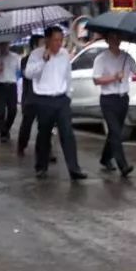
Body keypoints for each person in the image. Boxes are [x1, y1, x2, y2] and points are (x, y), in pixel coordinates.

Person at [25, 26, 87, 181]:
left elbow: (67, 75)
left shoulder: (64, 54)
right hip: (43, 99)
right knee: (44, 134)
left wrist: (68, 94)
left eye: (61, 40)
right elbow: (28, 74)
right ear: (47, 40)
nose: (59, 43)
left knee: (67, 133)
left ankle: (74, 168)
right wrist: (43, 61)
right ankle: (41, 166)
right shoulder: (36, 54)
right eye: (56, 40)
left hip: (61, 99)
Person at [92, 34, 136, 177]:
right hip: (108, 100)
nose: (116, 41)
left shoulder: (126, 57)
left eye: (117, 38)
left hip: (123, 100)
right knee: (115, 132)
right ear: (107, 41)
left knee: (115, 132)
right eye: (112, 38)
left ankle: (105, 158)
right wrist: (114, 77)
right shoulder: (101, 59)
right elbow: (96, 80)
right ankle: (123, 166)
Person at [0, 42, 20, 143]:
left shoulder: (15, 57)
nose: (3, 47)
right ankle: (3, 133)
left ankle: (6, 128)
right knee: (0, 111)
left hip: (11, 85)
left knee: (13, 110)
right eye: (1, 45)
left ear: (8, 45)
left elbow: (20, 69)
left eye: (5, 45)